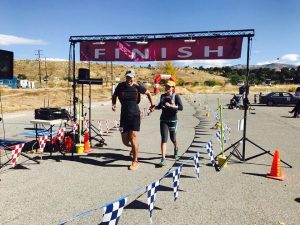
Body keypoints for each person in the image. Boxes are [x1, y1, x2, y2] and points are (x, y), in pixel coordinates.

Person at [112, 70, 155, 171]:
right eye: (128, 77)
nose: (129, 79)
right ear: (125, 77)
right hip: (124, 116)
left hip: (135, 115)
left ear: (134, 77)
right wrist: (113, 104)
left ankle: (135, 161)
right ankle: (135, 146)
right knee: (125, 141)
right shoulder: (120, 86)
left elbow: (148, 93)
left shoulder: (138, 86)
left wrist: (152, 105)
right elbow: (114, 96)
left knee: (133, 137)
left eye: (131, 77)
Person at [155, 80, 183, 166]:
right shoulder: (163, 96)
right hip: (163, 120)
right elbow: (160, 106)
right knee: (164, 139)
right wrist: (154, 107)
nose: (167, 87)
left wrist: (171, 106)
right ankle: (163, 159)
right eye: (166, 86)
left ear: (172, 88)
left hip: (173, 121)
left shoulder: (176, 96)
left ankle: (176, 149)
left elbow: (181, 108)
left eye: (169, 86)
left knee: (173, 138)